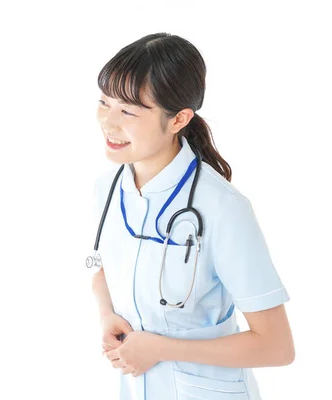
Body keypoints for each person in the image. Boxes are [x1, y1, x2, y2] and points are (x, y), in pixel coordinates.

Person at [90, 33, 295, 400]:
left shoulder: (222, 207)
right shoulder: (108, 188)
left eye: (129, 111)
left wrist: (160, 348)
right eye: (104, 103)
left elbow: (277, 346)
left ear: (179, 119)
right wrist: (107, 314)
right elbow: (102, 266)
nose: (108, 122)